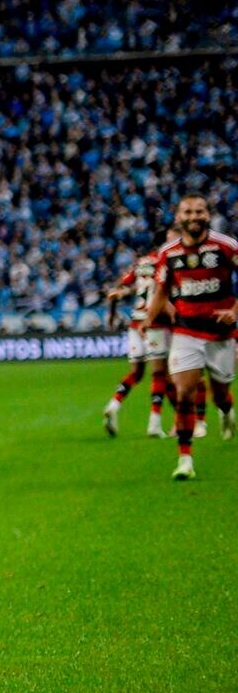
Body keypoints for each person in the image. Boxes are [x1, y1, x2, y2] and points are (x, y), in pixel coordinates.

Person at [143, 195, 238, 480]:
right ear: (178, 217)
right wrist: (149, 320)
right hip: (186, 330)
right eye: (188, 212)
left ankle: (226, 410)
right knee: (184, 392)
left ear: (208, 215)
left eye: (199, 211)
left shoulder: (226, 246)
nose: (193, 216)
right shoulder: (168, 252)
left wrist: (234, 311)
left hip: (221, 332)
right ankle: (185, 459)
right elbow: (161, 290)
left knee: (220, 393)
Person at [102, 240, 172, 439]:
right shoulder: (166, 262)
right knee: (159, 374)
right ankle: (154, 423)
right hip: (154, 322)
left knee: (136, 372)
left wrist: (112, 314)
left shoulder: (140, 264)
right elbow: (162, 292)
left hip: (135, 322)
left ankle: (113, 405)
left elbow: (120, 289)